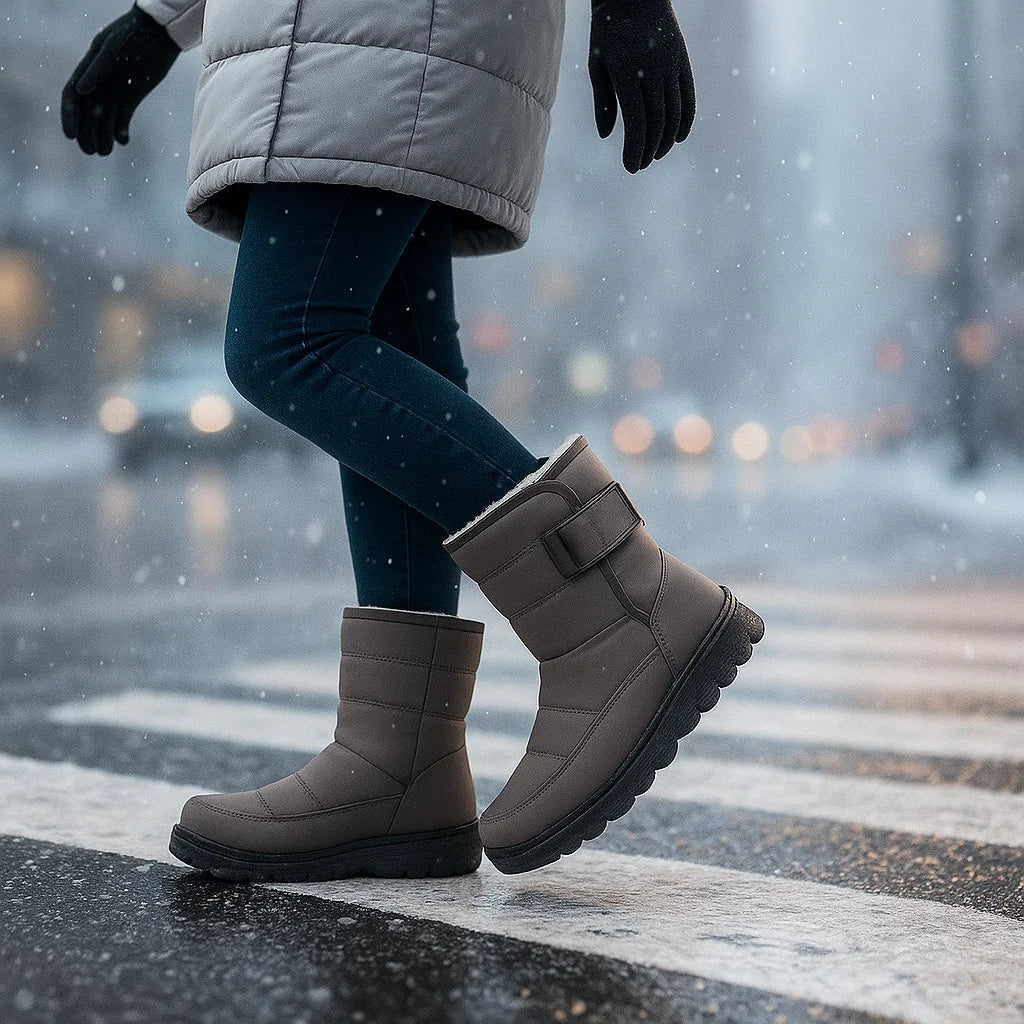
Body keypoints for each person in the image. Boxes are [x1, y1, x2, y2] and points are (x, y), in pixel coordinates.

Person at [61, 0, 763, 882]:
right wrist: (160, 17)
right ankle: (401, 759)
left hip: (383, 25)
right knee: (378, 345)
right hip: (350, 31)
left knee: (292, 341)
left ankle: (620, 603)